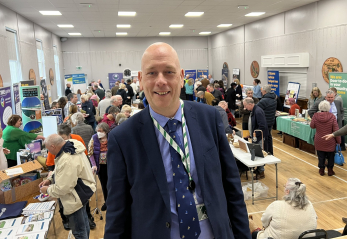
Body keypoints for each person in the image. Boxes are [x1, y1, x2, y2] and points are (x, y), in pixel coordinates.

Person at [105, 42, 251, 238]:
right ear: (140, 79)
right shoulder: (123, 138)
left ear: (181, 77)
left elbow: (232, 187)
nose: (161, 81)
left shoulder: (209, 118)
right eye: (151, 73)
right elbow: (117, 213)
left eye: (169, 72)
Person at [40, 134, 96, 239]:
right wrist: (50, 178)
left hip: (75, 197)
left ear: (53, 146)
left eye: (48, 149)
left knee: (79, 231)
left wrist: (47, 190)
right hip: (82, 191)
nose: (49, 152)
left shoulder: (67, 159)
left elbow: (63, 188)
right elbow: (59, 169)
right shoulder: (70, 146)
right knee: (84, 224)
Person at [252, 178, 317, 239]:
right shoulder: (309, 204)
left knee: (254, 234)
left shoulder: (276, 205)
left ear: (287, 191)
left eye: (284, 187)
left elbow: (264, 222)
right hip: (305, 237)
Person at [310, 101, 341, 176]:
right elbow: (336, 130)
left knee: (321, 155)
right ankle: (330, 170)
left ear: (320, 107)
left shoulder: (315, 115)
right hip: (330, 140)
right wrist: (339, 141)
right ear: (329, 108)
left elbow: (312, 126)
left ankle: (321, 170)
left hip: (319, 139)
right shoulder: (332, 116)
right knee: (331, 156)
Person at [243, 98, 268, 179]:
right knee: (257, 153)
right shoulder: (253, 111)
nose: (245, 107)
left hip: (259, 137)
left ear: (250, 104)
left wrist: (255, 135)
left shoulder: (258, 111)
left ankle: (261, 172)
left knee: (259, 154)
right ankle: (259, 170)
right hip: (255, 136)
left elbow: (262, 126)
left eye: (245, 105)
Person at [88, 123, 110, 211]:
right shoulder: (94, 138)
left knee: (112, 184)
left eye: (100, 131)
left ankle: (113, 202)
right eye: (97, 131)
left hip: (111, 164)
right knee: (104, 185)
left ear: (105, 131)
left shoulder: (111, 137)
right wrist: (93, 165)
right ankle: (107, 202)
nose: (98, 133)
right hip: (100, 166)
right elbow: (90, 153)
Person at [257, 85, 277, 155]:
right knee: (269, 137)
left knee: (264, 137)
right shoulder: (274, 99)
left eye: (262, 90)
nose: (261, 92)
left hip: (264, 121)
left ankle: (265, 152)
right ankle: (270, 152)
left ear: (264, 91)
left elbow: (256, 109)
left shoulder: (264, 100)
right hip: (271, 121)